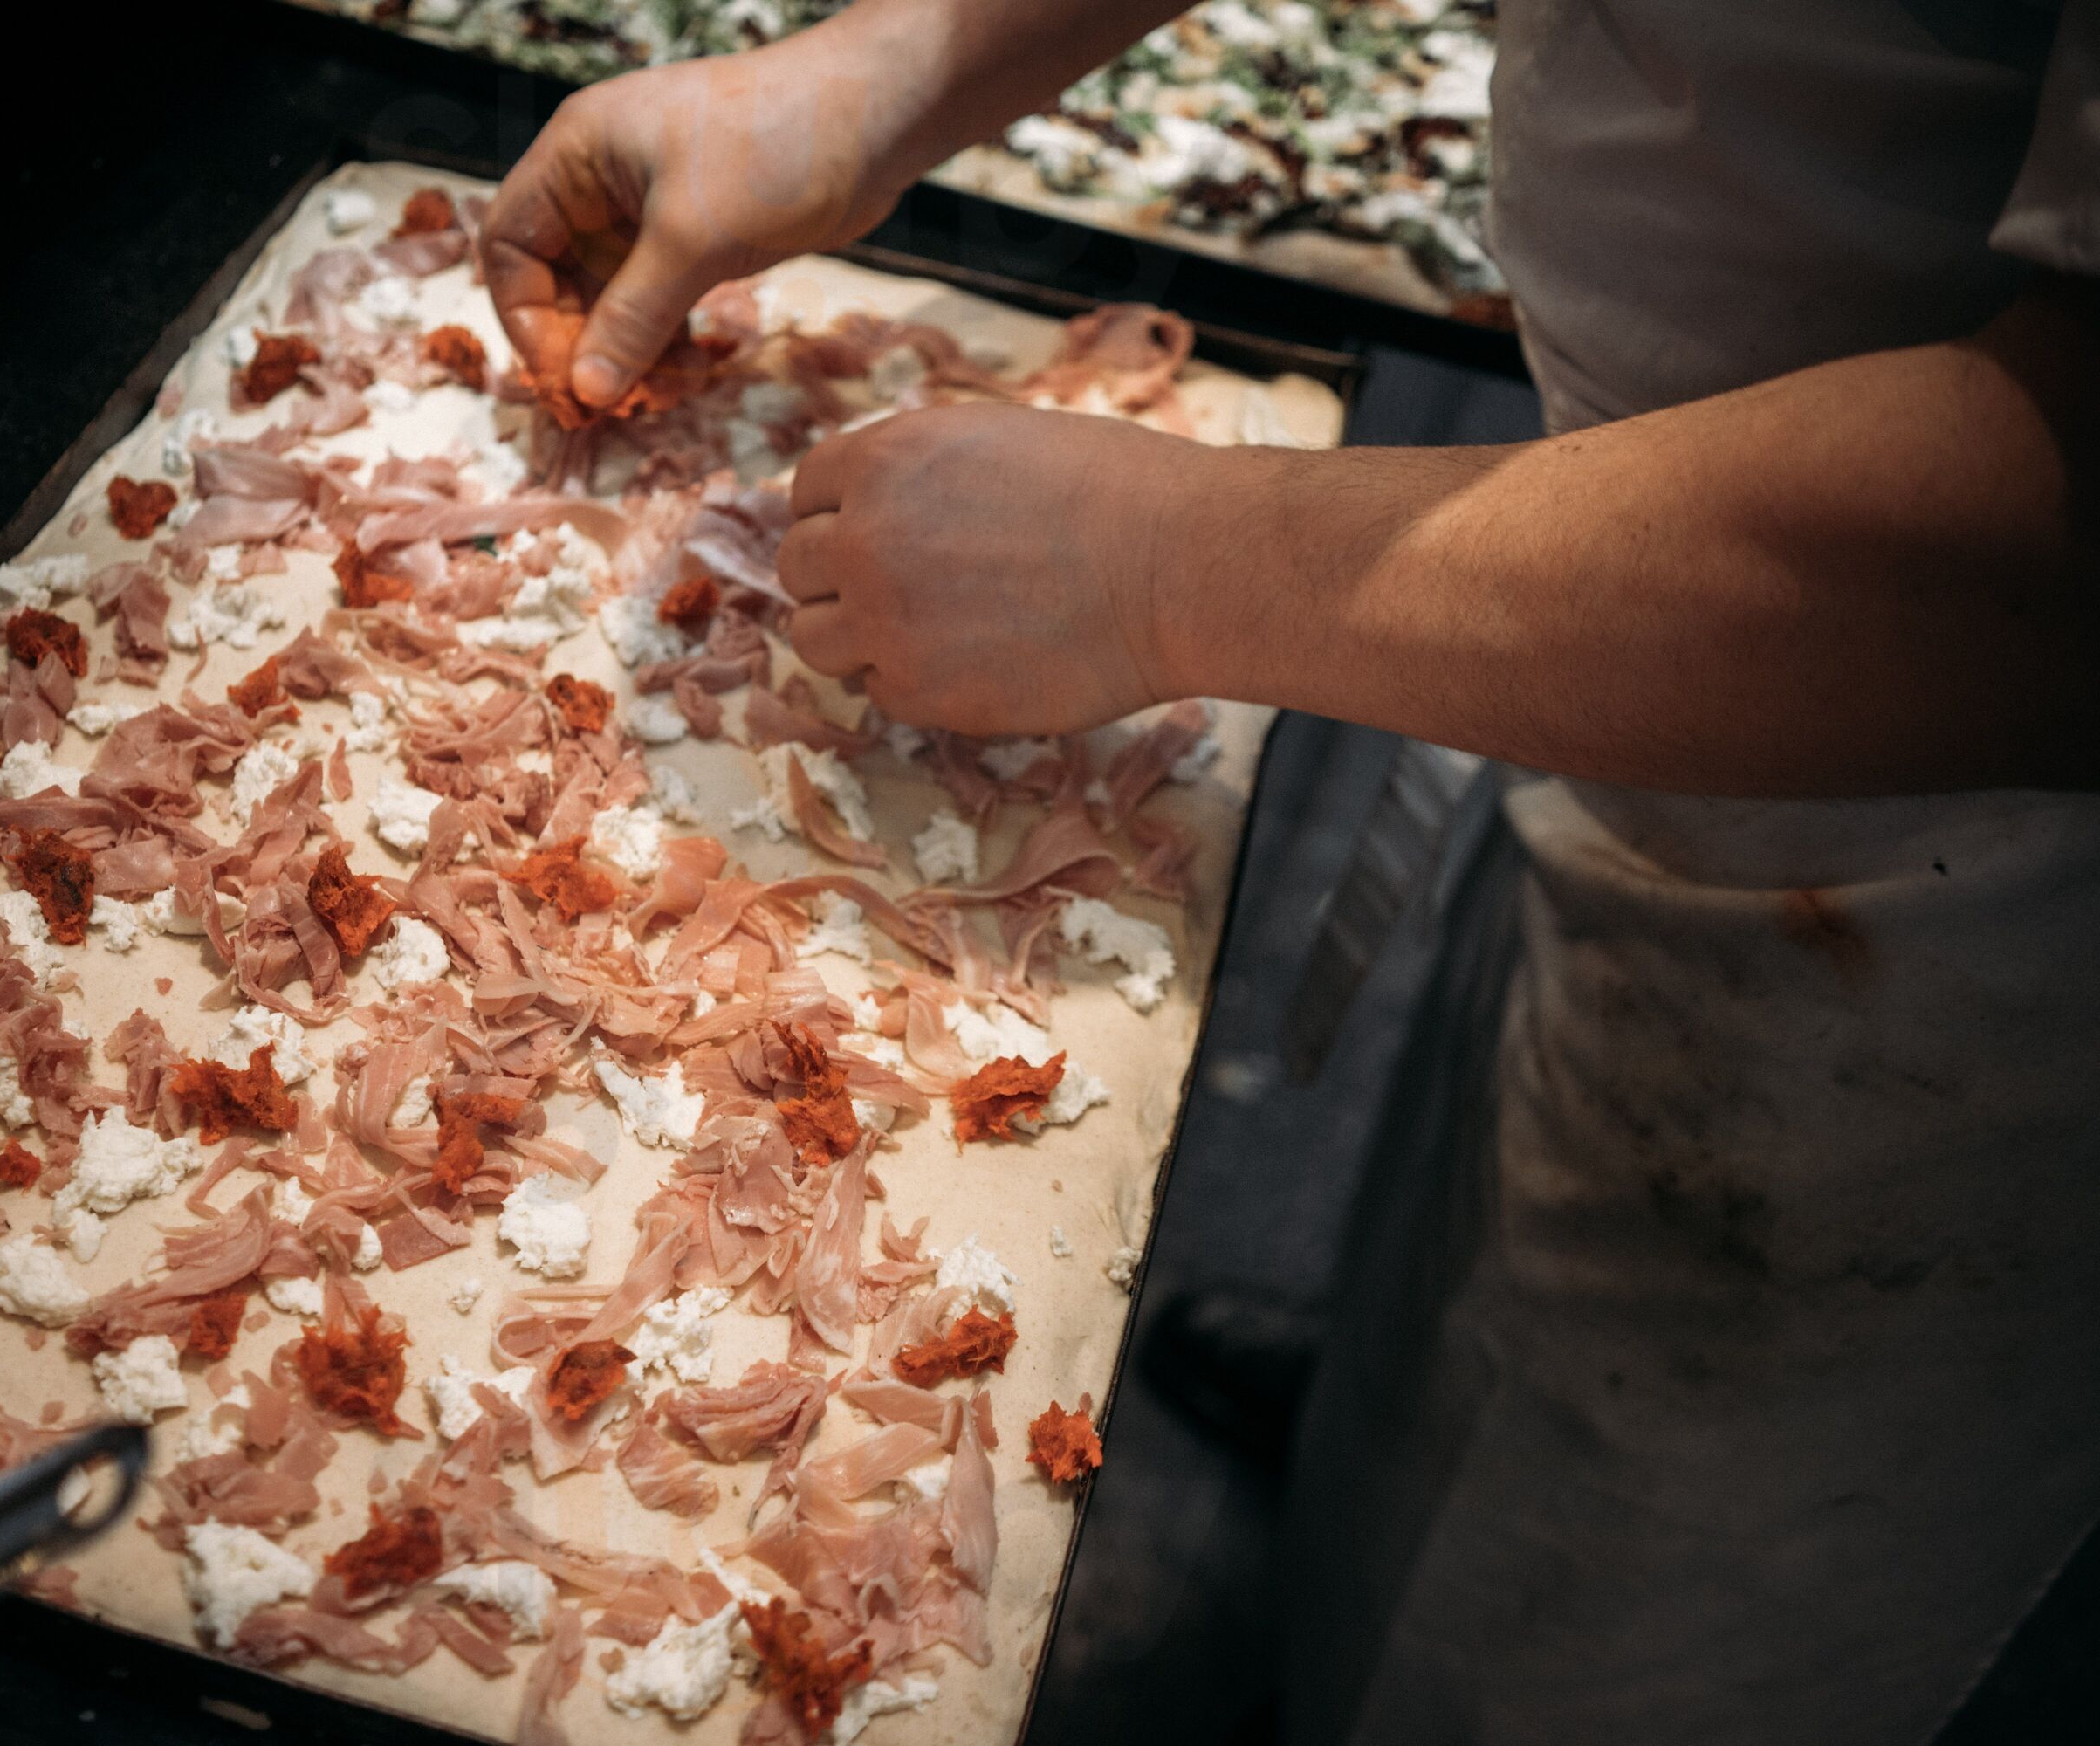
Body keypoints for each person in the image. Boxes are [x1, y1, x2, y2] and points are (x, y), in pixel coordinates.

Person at [481, 2, 2100, 1742]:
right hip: (1607, 617)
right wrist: (894, 63)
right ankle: (1359, 1449)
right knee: (1459, 1264)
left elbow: (2064, 536)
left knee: (1567, 1638)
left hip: (1964, 894)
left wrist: (1173, 567)